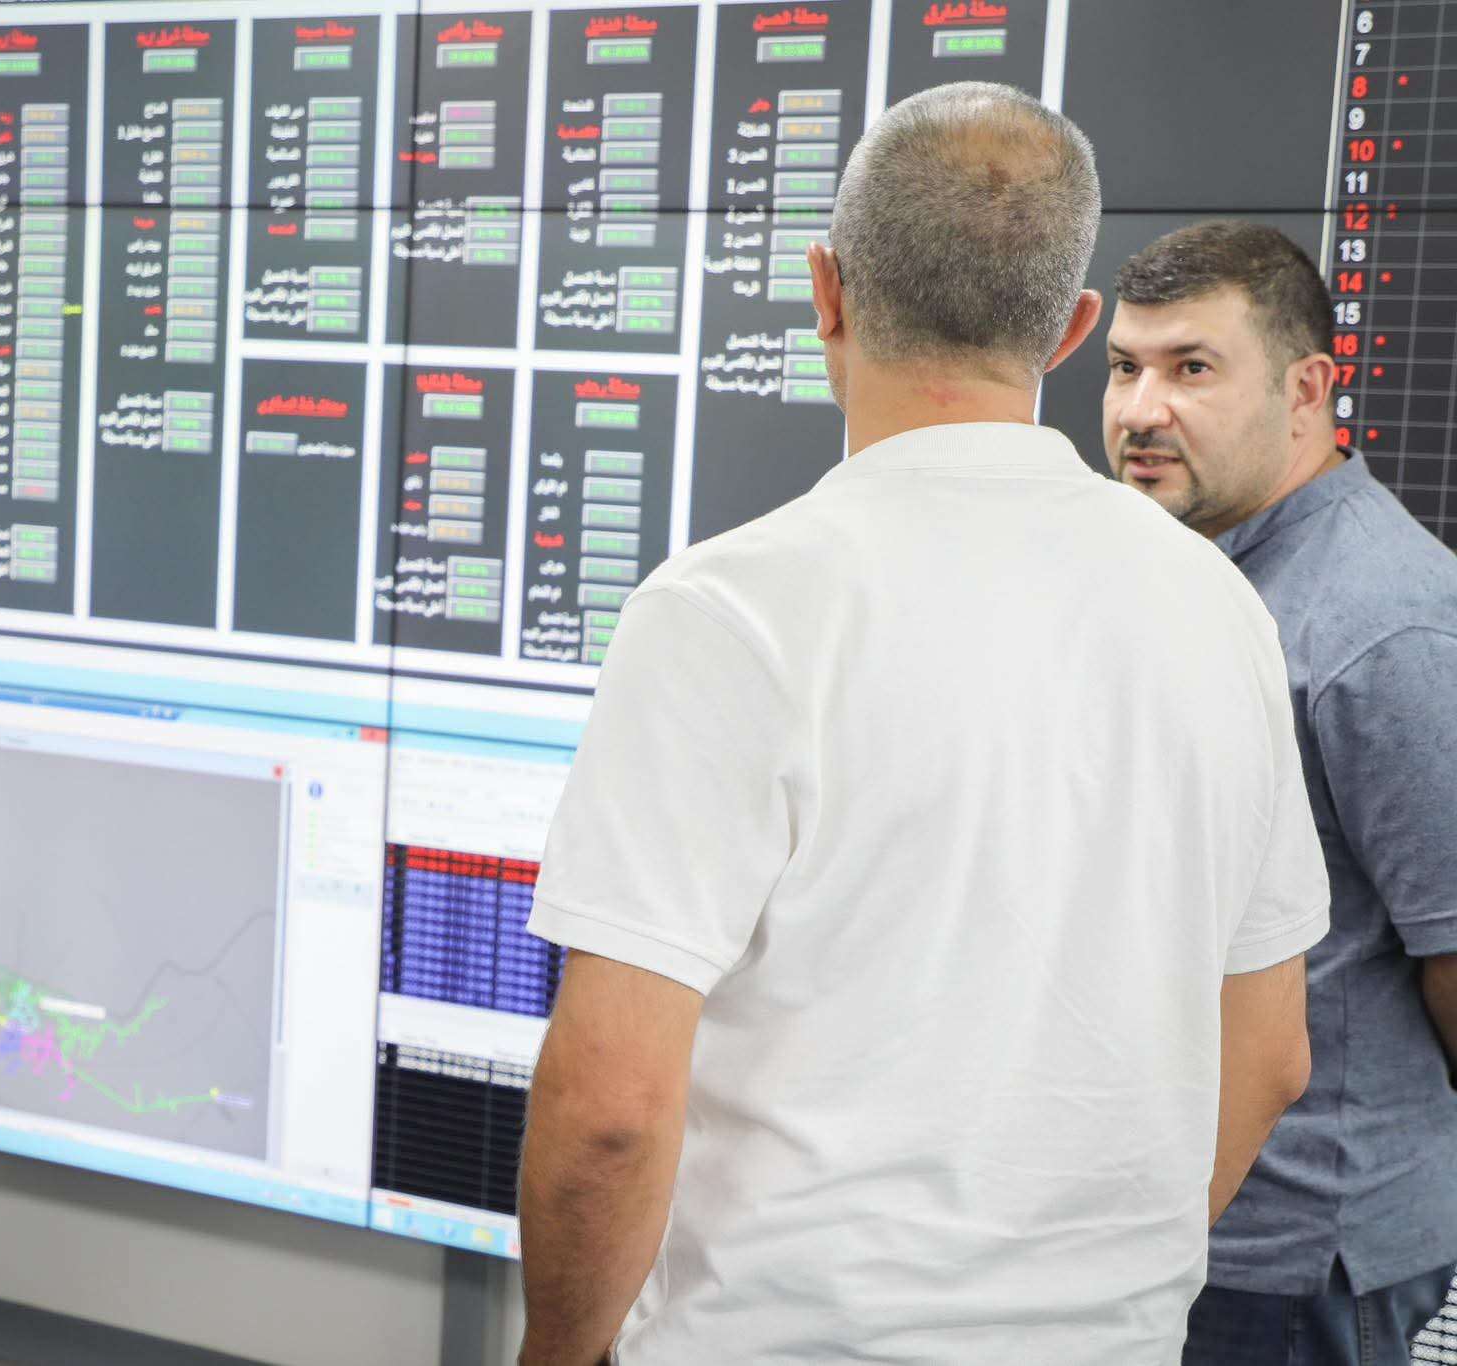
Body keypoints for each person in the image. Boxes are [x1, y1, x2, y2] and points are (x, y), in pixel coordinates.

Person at [516, 82, 1327, 1365]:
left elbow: (612, 1104)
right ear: (1069, 331)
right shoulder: (1218, 609)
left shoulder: (728, 611)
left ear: (825, 292)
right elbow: (1271, 1053)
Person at [1103, 219, 1457, 1365]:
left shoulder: (1382, 625)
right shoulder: (1193, 568)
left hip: (1291, 1261)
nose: (1140, 409)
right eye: (1123, 367)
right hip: (1169, 1224)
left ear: (1306, 389)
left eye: (1190, 368)